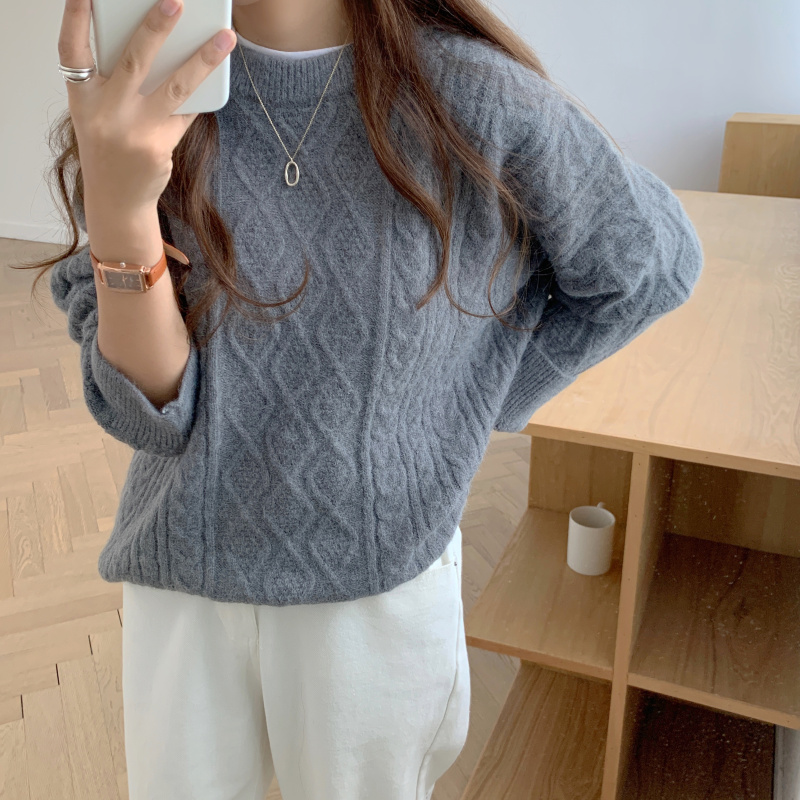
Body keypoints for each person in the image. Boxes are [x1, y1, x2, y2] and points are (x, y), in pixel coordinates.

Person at [22, 0, 703, 797]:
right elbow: (149, 414)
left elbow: (647, 265)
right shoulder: (151, 88)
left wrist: (468, 403)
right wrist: (119, 210)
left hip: (375, 600)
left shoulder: (477, 99)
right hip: (181, 575)